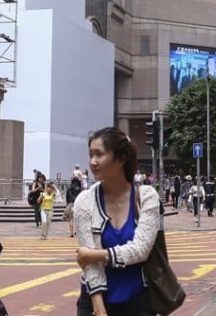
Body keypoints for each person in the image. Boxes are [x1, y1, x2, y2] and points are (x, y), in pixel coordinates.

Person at [74, 127, 161, 316]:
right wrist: (99, 309)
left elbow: (141, 250)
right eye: (90, 155)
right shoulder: (84, 201)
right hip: (95, 299)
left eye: (99, 154)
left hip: (139, 301)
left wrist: (97, 255)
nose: (92, 162)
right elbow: (89, 264)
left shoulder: (147, 197)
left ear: (121, 159)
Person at [66, 170, 82, 237]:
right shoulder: (78, 189)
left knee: (71, 219)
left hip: (70, 204)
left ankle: (71, 233)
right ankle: (76, 231)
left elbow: (67, 198)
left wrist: (67, 206)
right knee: (77, 219)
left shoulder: (69, 188)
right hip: (77, 205)